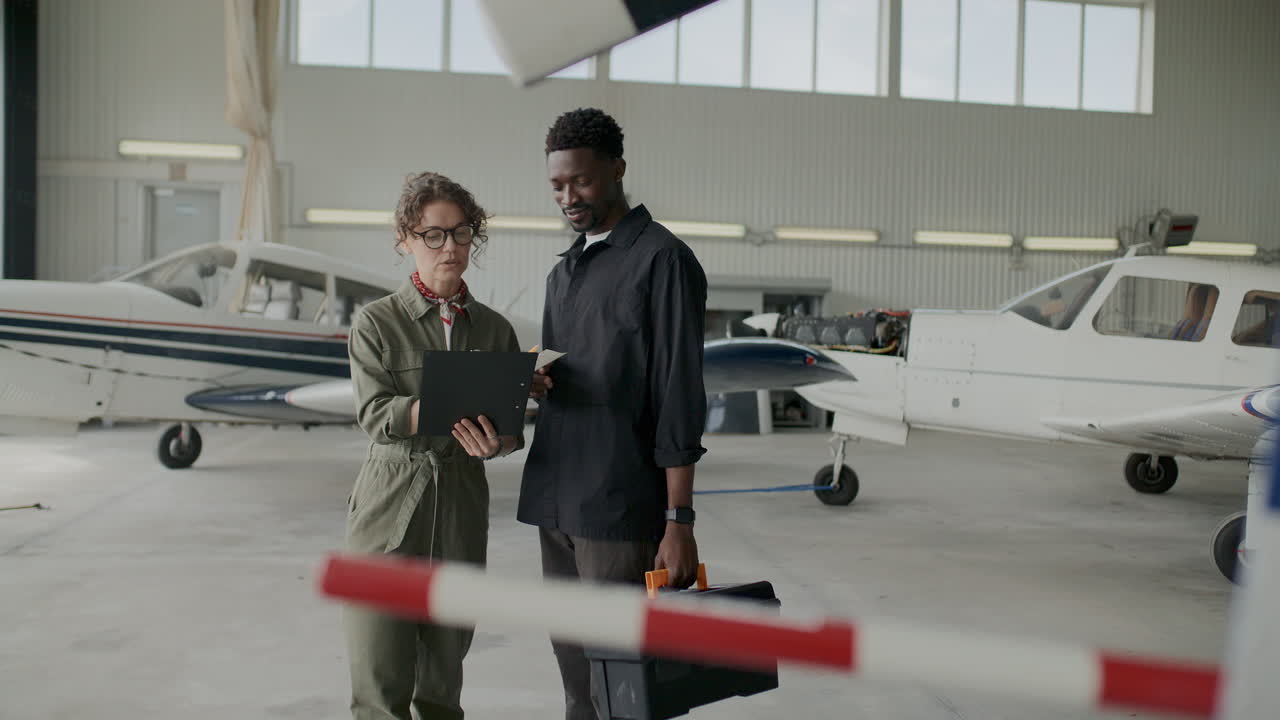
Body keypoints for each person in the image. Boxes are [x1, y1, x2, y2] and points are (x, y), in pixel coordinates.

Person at [520, 108, 709, 720]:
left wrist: (678, 520)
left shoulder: (663, 261)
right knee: (576, 682)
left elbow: (680, 395)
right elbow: (564, 379)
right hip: (556, 500)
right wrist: (529, 381)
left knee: (624, 688)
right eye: (557, 186)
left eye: (581, 181)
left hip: (619, 505)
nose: (568, 198)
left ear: (617, 169)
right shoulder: (562, 273)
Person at [344, 171, 523, 720]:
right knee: (379, 681)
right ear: (406, 240)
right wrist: (441, 404)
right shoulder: (376, 323)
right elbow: (374, 415)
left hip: (461, 506)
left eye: (462, 233)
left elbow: (510, 433)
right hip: (391, 501)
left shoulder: (495, 331)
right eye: (433, 235)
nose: (450, 247)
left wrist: (496, 443)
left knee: (443, 685)